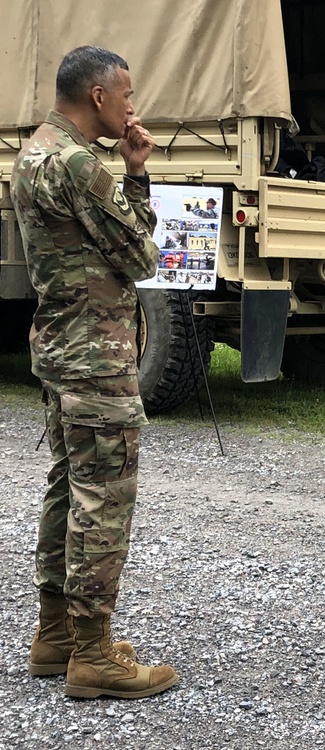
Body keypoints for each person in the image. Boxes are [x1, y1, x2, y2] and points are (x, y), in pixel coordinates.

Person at [10, 46, 179, 697]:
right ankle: (92, 656)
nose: (133, 107)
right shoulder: (81, 166)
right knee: (103, 499)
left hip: (59, 352)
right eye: (127, 95)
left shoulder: (36, 151)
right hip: (96, 362)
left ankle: (55, 637)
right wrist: (137, 173)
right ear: (99, 96)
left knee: (68, 488)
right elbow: (140, 254)